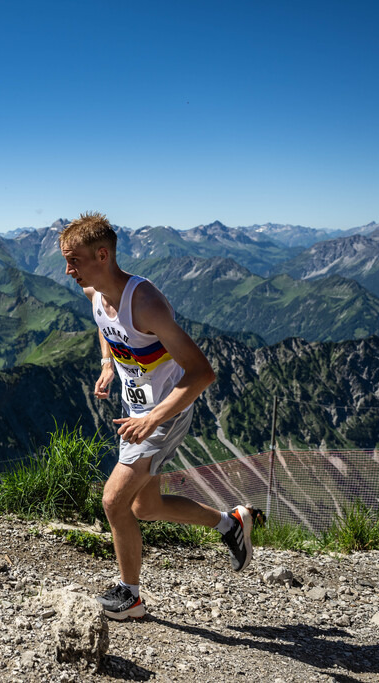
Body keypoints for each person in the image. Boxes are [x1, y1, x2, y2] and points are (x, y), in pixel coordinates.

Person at [59, 211, 260, 621]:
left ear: (102, 255)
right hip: (137, 410)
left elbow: (202, 373)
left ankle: (129, 596)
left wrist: (154, 419)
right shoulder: (94, 293)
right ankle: (231, 523)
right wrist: (107, 364)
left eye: (74, 260)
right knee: (143, 508)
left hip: (164, 412)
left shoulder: (145, 303)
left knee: (114, 501)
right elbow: (104, 324)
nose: (68, 270)